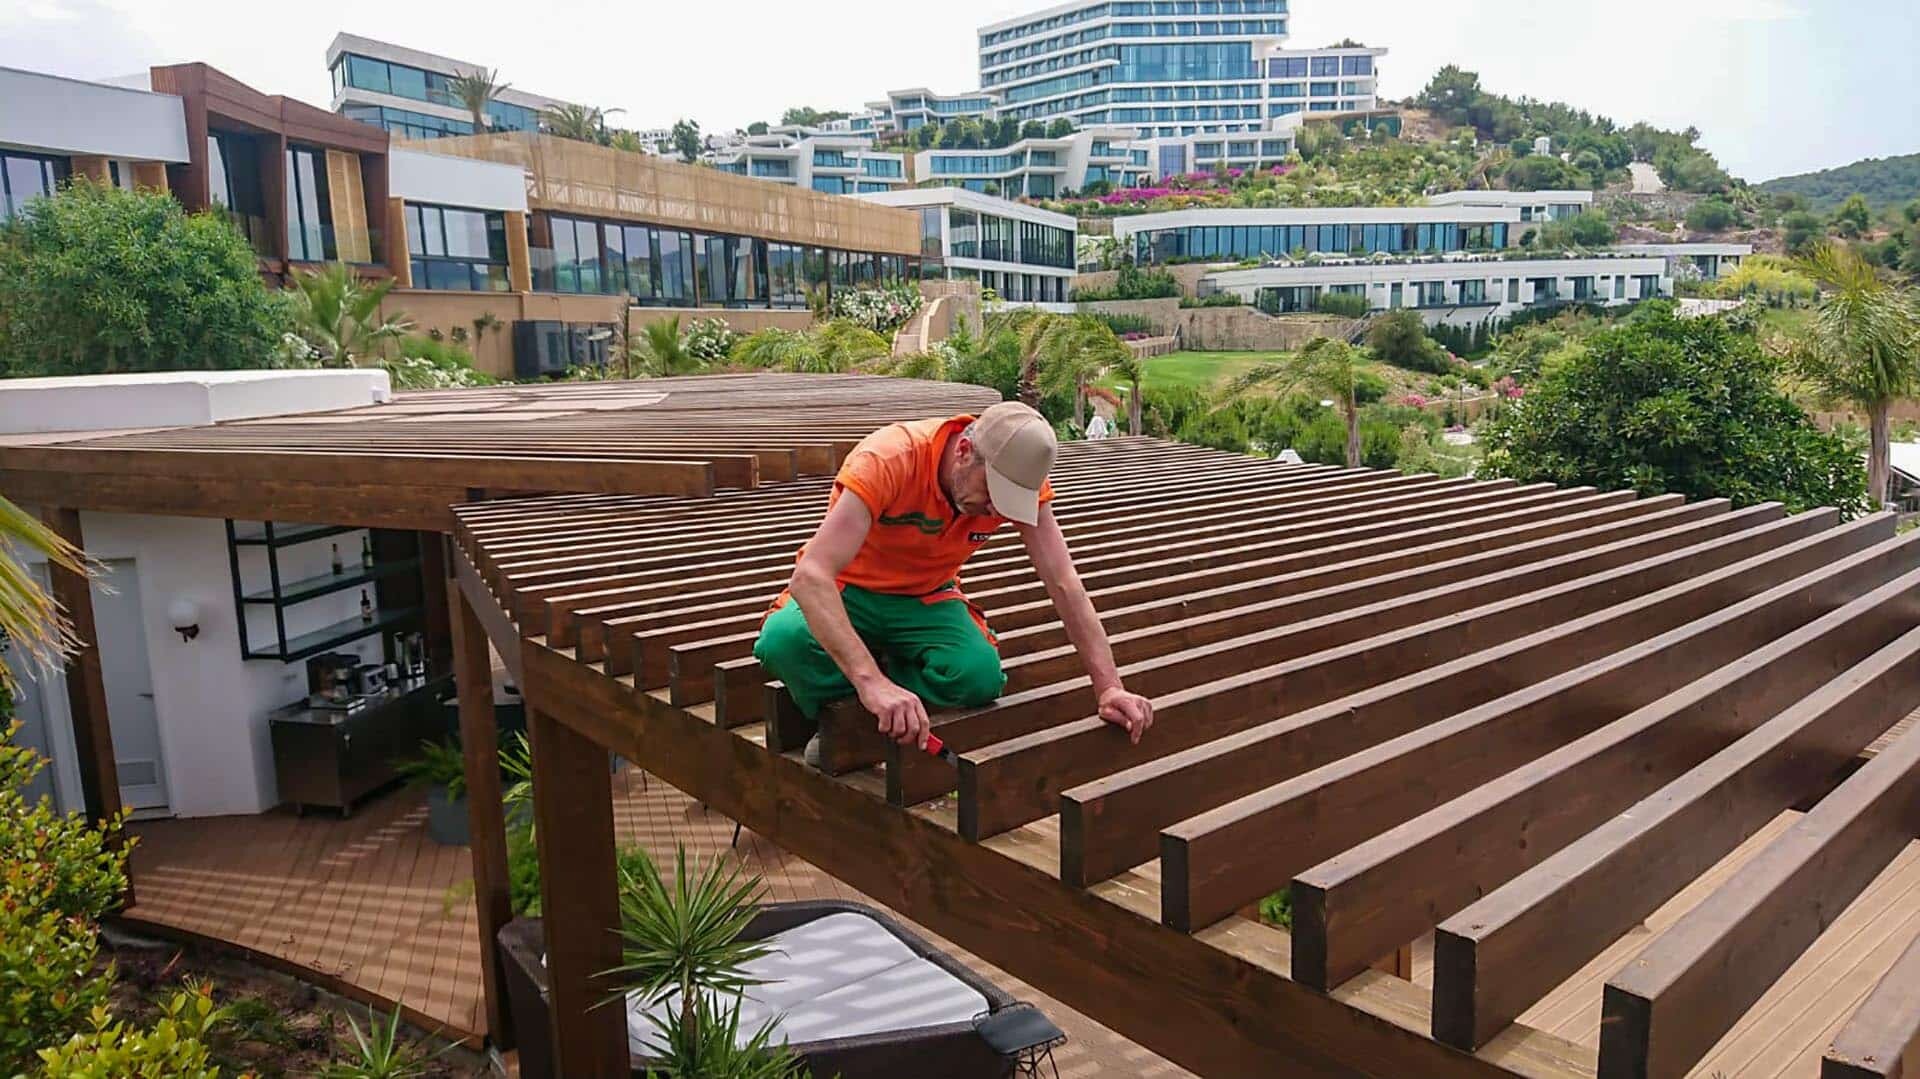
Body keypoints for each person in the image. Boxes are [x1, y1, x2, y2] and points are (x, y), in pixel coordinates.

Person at [753, 401, 1153, 761]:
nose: (996, 509)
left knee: (977, 676)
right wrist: (871, 682)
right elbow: (811, 577)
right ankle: (853, 719)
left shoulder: (1019, 480)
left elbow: (1064, 581)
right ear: (964, 451)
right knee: (782, 642)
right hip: (848, 590)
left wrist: (1109, 687)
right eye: (993, 493)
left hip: (926, 597)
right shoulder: (889, 459)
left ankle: (862, 713)